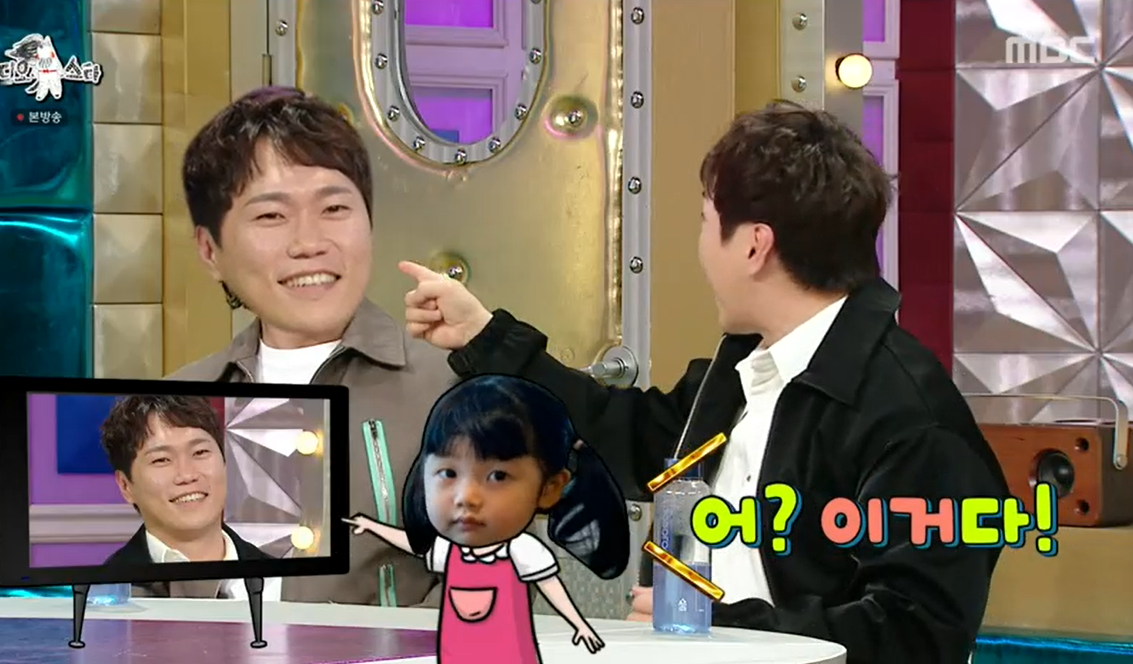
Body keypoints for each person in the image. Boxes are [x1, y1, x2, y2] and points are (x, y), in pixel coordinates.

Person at [396, 101, 1010, 664]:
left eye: (705, 221)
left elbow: (919, 634)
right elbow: (629, 435)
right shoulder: (743, 368)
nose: (699, 246)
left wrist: (724, 628)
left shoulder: (910, 417)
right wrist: (486, 338)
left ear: (754, 246)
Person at [168, 86, 457, 606]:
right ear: (210, 251)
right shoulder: (170, 404)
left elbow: (491, 578)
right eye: (271, 216)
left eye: (334, 207)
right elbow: (127, 592)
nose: (309, 243)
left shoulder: (456, 391)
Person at [344, 374, 627, 663]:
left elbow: (550, 586)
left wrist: (579, 625)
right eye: (448, 473)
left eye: (498, 476)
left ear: (549, 488)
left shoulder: (522, 551)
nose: (466, 497)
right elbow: (415, 545)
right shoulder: (449, 550)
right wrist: (371, 525)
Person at [100, 395, 276, 600]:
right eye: (161, 460)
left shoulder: (280, 583)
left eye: (200, 452)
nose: (187, 475)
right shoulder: (106, 593)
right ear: (125, 485)